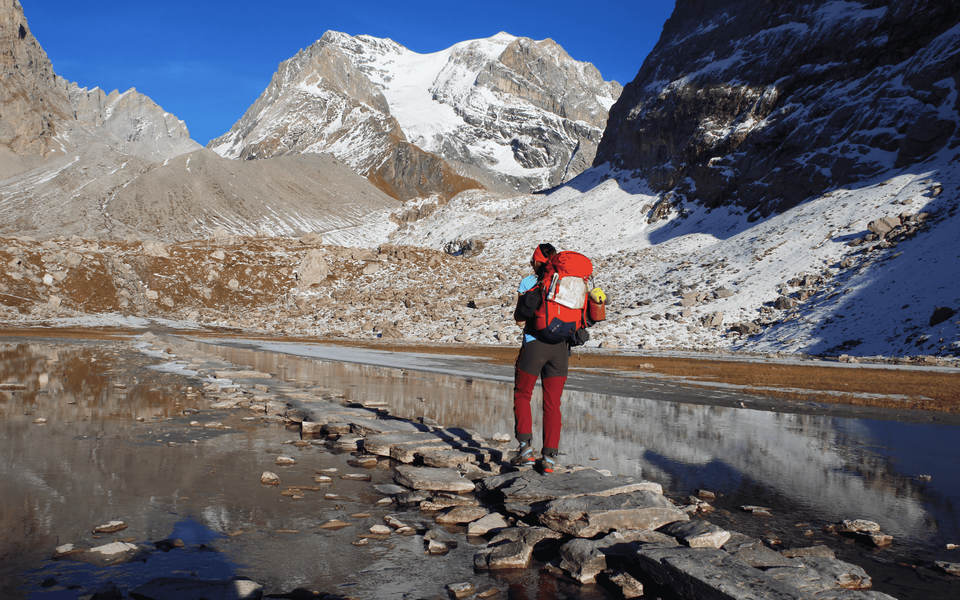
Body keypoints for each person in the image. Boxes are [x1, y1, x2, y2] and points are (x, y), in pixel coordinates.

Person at [510, 243, 568, 474]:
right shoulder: (568, 283)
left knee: (523, 394)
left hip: (534, 346)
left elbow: (519, 320)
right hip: (561, 350)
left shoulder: (529, 282)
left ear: (536, 262)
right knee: (553, 403)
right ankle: (550, 458)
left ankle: (525, 449)